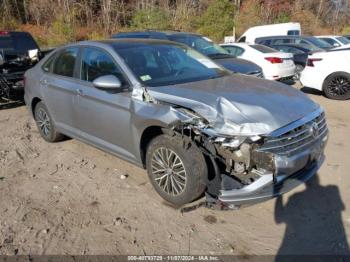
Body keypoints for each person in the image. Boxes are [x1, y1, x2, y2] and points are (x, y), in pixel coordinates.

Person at [275, 174, 349, 256]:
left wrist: (279, 193)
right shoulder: (332, 189)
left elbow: (278, 219)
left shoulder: (295, 197)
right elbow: (342, 207)